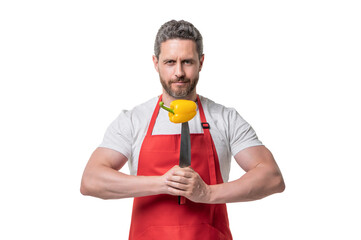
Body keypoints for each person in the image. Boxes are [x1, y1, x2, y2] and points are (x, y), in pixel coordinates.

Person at [80, 19, 285, 240]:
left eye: (187, 61)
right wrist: (162, 183)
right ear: (156, 63)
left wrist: (207, 193)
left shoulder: (225, 118)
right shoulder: (133, 120)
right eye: (170, 62)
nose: (179, 72)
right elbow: (91, 180)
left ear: (201, 62)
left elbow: (272, 177)